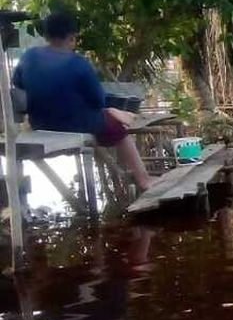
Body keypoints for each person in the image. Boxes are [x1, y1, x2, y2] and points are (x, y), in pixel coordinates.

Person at [13, 12, 152, 190]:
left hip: (40, 123)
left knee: (106, 115)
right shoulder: (79, 63)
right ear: (72, 37)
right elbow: (97, 100)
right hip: (76, 125)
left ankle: (114, 115)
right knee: (117, 129)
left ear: (46, 35)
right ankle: (144, 180)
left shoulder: (28, 57)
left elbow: (17, 84)